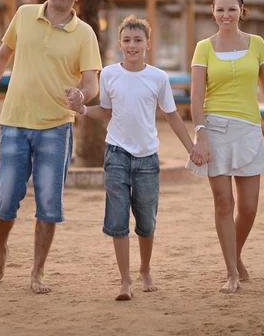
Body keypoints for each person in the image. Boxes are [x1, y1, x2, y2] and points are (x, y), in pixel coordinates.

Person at [0, 0, 102, 294]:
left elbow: (91, 83)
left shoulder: (84, 33)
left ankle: (37, 271)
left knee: (49, 204)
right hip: (15, 122)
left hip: (56, 128)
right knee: (5, 201)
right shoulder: (24, 14)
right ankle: (1, 253)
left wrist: (81, 95)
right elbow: (2, 57)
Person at [68, 15, 205, 301]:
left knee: (146, 222)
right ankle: (125, 280)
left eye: (138, 40)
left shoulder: (158, 77)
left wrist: (191, 146)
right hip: (116, 154)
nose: (132, 45)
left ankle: (144, 270)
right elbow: (104, 112)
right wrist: (81, 110)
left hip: (147, 159)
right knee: (118, 220)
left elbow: (172, 116)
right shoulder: (109, 74)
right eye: (127, 40)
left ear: (148, 44)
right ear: (120, 44)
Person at [187, 0, 264, 293]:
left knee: (248, 208)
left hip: (248, 129)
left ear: (242, 10)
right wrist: (200, 136)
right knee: (223, 203)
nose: (226, 14)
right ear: (213, 12)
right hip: (214, 129)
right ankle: (232, 271)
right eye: (220, 9)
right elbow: (196, 96)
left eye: (232, 9)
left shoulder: (257, 43)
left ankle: (236, 255)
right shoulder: (204, 46)